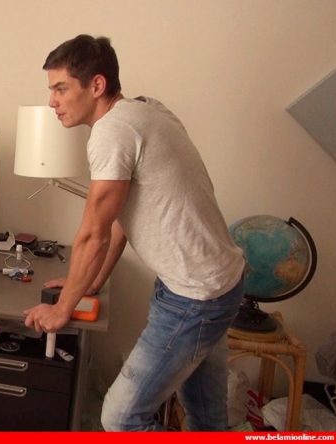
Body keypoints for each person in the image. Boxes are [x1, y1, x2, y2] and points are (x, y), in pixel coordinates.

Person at [23, 35, 246, 431]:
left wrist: (62, 310)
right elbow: (119, 220)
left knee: (121, 419)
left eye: (61, 89)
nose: (52, 101)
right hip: (217, 283)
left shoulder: (112, 132)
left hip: (194, 298)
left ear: (96, 85)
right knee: (207, 418)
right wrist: (90, 283)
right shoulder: (147, 109)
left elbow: (93, 233)